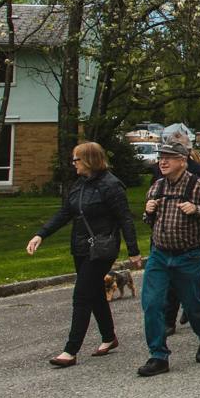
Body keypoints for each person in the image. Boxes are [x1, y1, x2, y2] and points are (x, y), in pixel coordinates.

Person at [26, 140, 139, 367]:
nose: (73, 163)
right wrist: (41, 234)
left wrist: (133, 250)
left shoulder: (111, 185)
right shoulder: (79, 185)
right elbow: (65, 213)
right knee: (96, 292)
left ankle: (70, 350)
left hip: (102, 248)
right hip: (80, 246)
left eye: (76, 159)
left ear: (88, 160)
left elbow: (125, 218)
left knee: (82, 295)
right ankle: (109, 337)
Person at [135, 135, 200, 377]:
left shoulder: (198, 185)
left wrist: (196, 210)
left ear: (183, 161)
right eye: (161, 158)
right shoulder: (157, 187)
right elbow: (150, 221)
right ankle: (158, 355)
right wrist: (148, 211)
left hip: (188, 256)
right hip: (159, 254)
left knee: (192, 303)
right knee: (152, 303)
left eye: (169, 158)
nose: (162, 163)